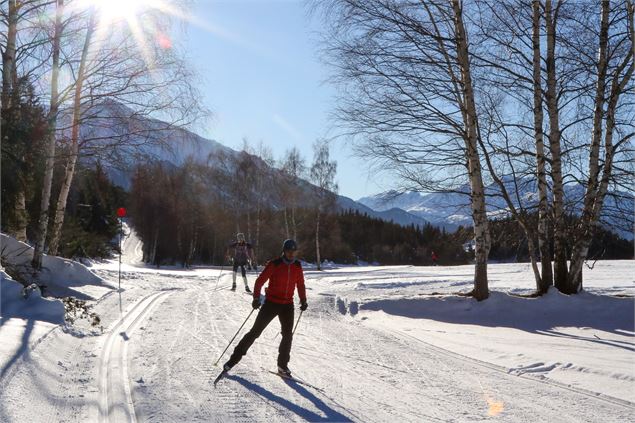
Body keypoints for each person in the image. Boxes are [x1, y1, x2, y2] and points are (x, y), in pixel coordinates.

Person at [222, 239, 307, 377]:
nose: (291, 254)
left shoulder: (297, 266)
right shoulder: (275, 264)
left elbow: (301, 284)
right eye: (289, 251)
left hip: (287, 305)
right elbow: (259, 281)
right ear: (284, 251)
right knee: (255, 332)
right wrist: (256, 298)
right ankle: (233, 360)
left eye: (294, 252)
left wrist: (303, 300)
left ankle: (282, 366)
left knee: (287, 335)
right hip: (271, 304)